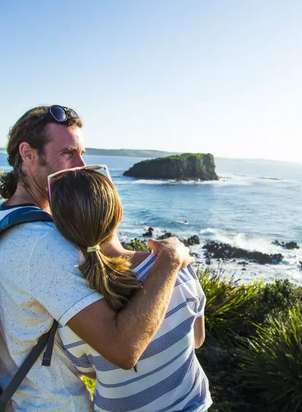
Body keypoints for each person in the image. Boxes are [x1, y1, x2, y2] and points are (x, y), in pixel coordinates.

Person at [0, 105, 194, 411]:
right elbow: (123, 350)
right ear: (28, 155)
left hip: (14, 395)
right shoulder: (44, 244)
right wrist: (170, 259)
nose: (82, 165)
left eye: (81, 152)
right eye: (68, 153)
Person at [48, 166, 212, 412]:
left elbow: (90, 371)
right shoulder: (179, 268)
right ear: (119, 212)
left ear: (62, 229)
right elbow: (197, 339)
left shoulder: (75, 305)